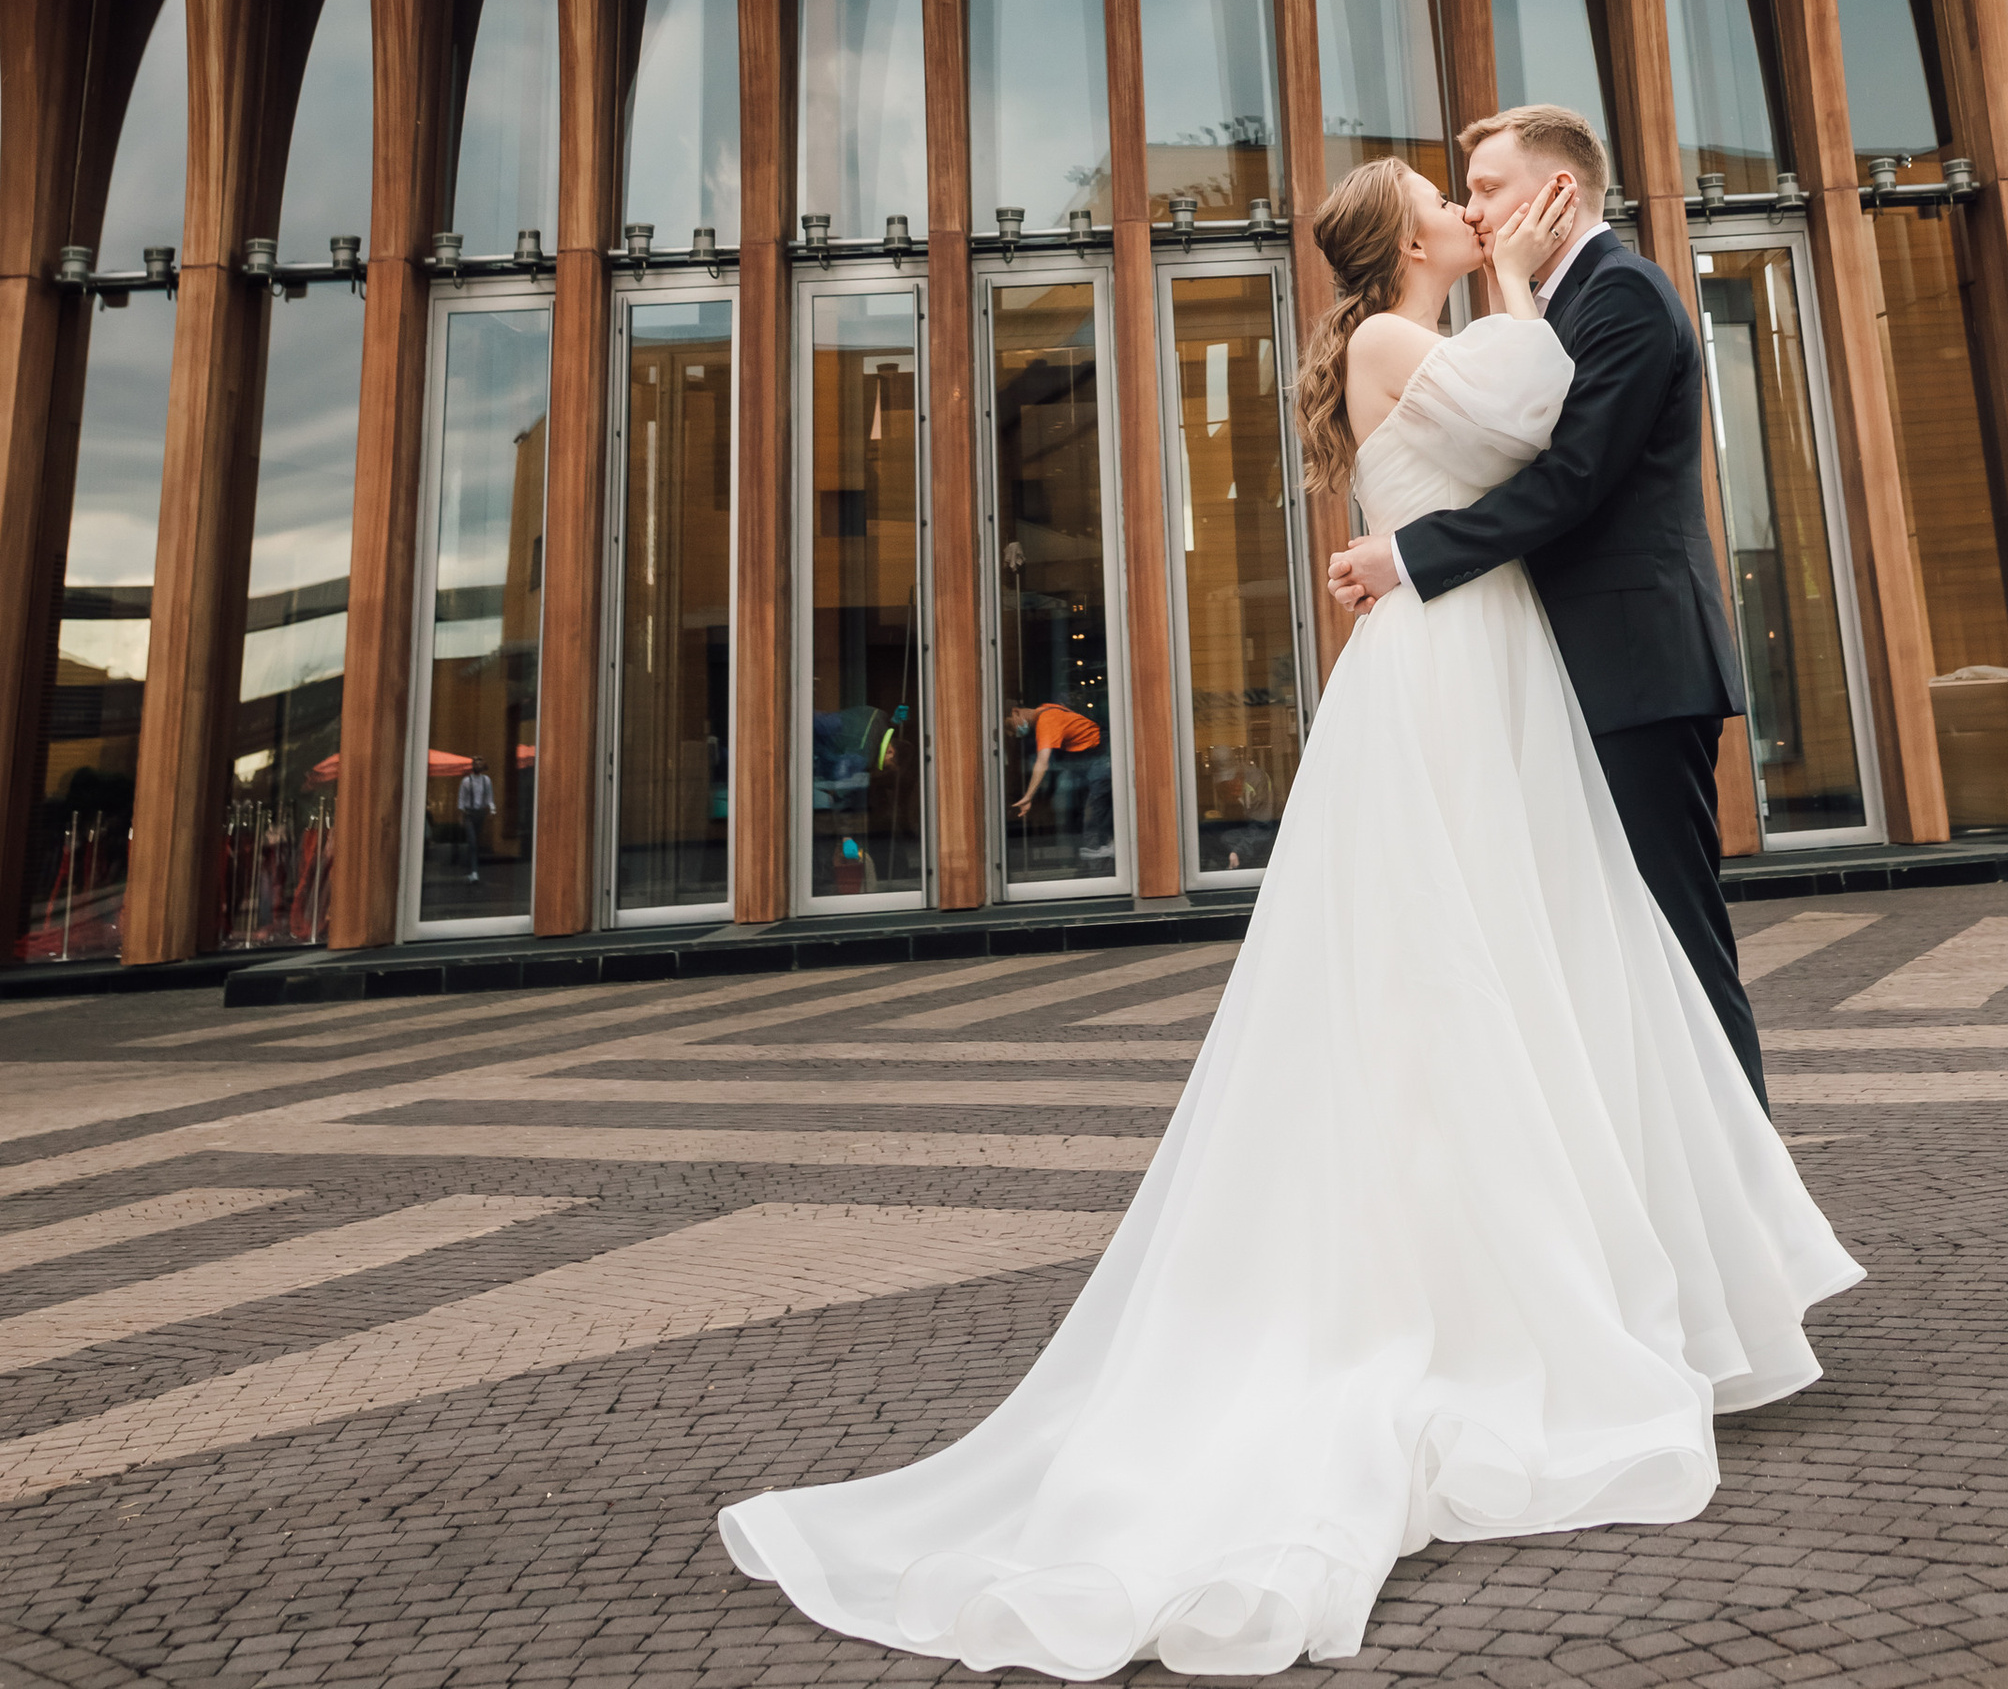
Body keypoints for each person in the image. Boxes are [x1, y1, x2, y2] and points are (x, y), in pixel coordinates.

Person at [719, 146, 1858, 1677]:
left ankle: (1617, 1257)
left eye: (1482, 185)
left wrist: (1436, 468)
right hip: (1455, 672)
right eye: (1440, 194)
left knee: (1533, 961)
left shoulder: (1433, 334)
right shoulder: (1407, 336)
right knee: (1473, 959)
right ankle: (1547, 1284)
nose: (1467, 204)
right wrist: (1518, 279)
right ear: (1398, 239)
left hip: (1482, 652)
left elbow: (1538, 442)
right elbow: (1535, 422)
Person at [1329, 103, 1766, 1102]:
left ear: (1558, 190)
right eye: (1464, 193)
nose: (1474, 209)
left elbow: (1572, 482)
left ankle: (1747, 1193)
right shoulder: (1533, 310)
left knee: (1675, 943)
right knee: (1605, 951)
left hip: (1636, 668)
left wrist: (1407, 555)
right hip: (1557, 671)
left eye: (1486, 187)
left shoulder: (1621, 297)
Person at [1007, 697, 1111, 865]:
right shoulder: (1045, 709)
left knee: (1094, 808)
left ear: (1016, 712)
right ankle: (1099, 850)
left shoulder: (1046, 721)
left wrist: (1028, 796)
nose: (1016, 734)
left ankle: (1097, 856)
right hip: (1092, 758)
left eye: (1012, 727)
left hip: (1100, 756)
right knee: (1089, 806)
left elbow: (1043, 762)